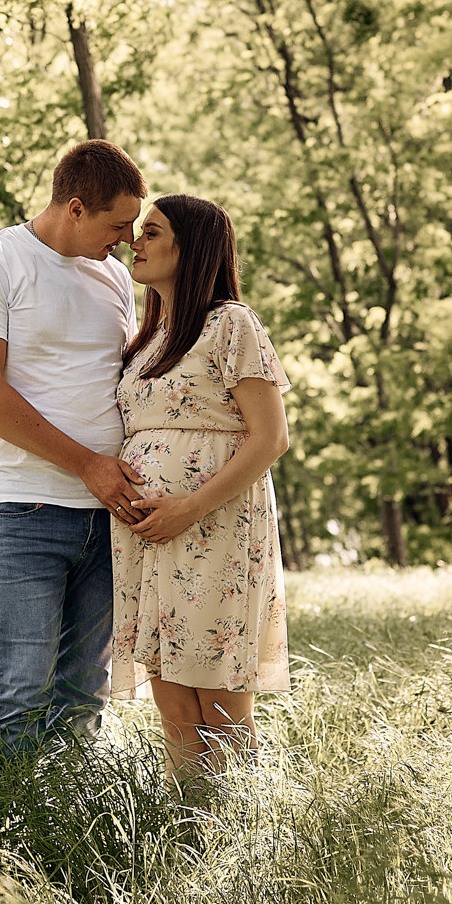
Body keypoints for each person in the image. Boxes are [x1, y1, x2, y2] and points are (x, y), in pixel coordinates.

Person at [0, 139, 149, 763]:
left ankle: (61, 837)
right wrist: (88, 465)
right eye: (118, 224)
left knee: (84, 693)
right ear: (76, 207)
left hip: (109, 514)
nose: (126, 240)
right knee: (21, 690)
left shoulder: (113, 277)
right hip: (26, 510)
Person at [112, 193, 291, 787]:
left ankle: (243, 839)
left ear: (191, 250)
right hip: (150, 539)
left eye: (152, 232)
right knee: (172, 699)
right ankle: (190, 832)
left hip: (214, 526)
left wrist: (187, 507)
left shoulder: (230, 324)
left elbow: (269, 439)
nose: (135, 241)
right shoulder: (146, 340)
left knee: (219, 700)